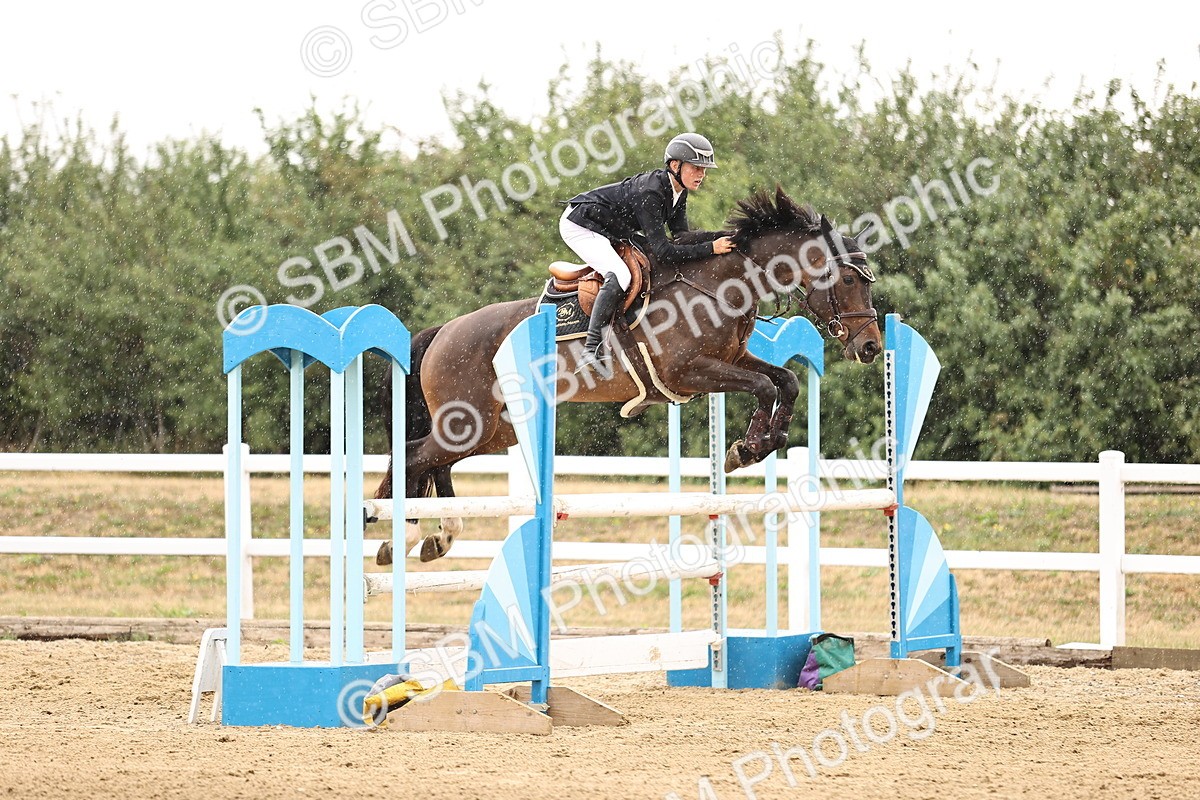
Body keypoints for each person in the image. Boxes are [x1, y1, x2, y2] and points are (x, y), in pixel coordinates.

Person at [560, 132, 737, 374]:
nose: (702, 174)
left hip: (609, 226)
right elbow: (664, 252)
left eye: (704, 169)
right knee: (620, 275)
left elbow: (682, 237)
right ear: (675, 165)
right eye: (696, 168)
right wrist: (711, 248)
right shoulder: (651, 192)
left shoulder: (678, 191)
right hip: (581, 224)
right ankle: (591, 350)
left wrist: (725, 235)